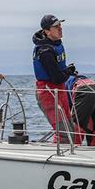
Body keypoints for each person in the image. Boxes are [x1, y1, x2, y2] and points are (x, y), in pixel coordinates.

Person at [32, 14, 77, 143]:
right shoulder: (45, 51)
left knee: (71, 131)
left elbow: (59, 76)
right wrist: (68, 72)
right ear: (47, 31)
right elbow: (57, 78)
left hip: (60, 90)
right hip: (48, 92)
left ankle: (68, 156)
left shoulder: (56, 45)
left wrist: (68, 71)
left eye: (60, 26)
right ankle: (56, 157)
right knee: (64, 133)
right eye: (56, 27)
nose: (60, 28)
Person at [65, 72, 95, 146]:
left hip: (83, 90)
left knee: (77, 123)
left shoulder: (65, 81)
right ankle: (94, 146)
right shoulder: (78, 77)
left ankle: (75, 145)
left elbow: (68, 105)